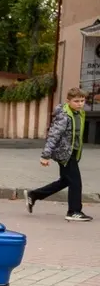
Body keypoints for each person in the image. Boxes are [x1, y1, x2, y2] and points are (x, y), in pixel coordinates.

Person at [25, 88, 92, 222]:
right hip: (64, 154)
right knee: (76, 182)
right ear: (68, 101)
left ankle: (34, 195)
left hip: (72, 152)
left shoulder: (79, 113)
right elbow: (53, 136)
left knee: (66, 180)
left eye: (82, 101)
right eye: (76, 101)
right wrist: (45, 155)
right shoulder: (64, 116)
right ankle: (74, 211)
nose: (79, 103)